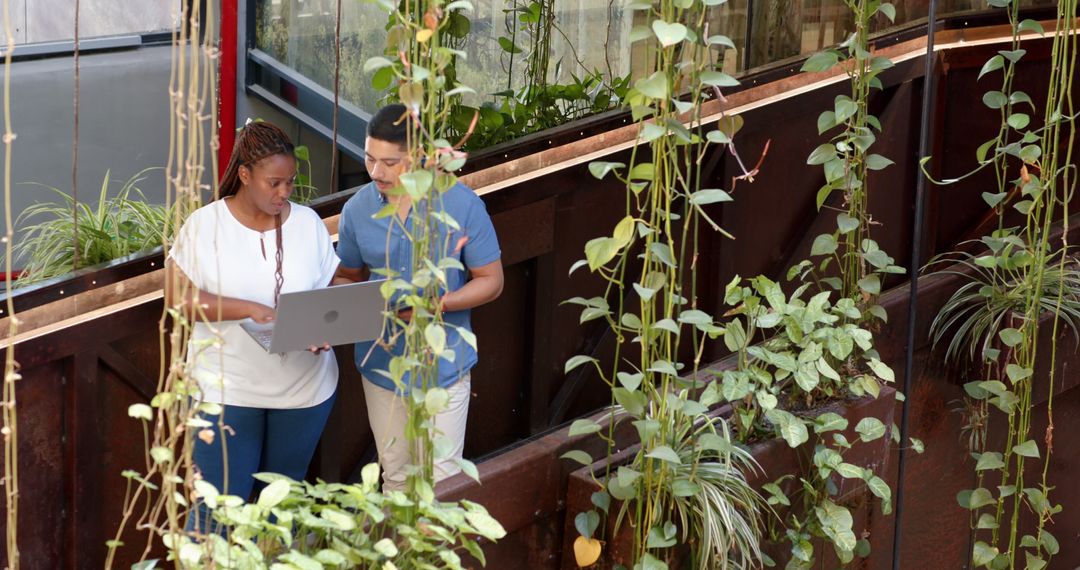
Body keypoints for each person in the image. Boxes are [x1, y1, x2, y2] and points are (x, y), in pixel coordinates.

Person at [166, 121, 339, 527]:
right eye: (273, 183)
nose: (284, 193)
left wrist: (322, 326)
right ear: (245, 175)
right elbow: (178, 299)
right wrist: (249, 308)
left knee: (283, 510)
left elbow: (327, 291)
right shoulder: (205, 226)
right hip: (225, 392)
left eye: (290, 183)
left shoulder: (309, 224)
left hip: (304, 393)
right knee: (214, 513)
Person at [335, 104, 503, 491]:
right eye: (369, 158)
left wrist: (436, 306)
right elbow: (347, 276)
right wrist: (363, 304)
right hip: (380, 365)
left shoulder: (461, 204)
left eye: (390, 162)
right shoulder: (357, 210)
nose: (376, 172)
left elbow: (491, 281)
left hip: (444, 365)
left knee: (442, 482)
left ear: (421, 157)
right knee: (394, 476)